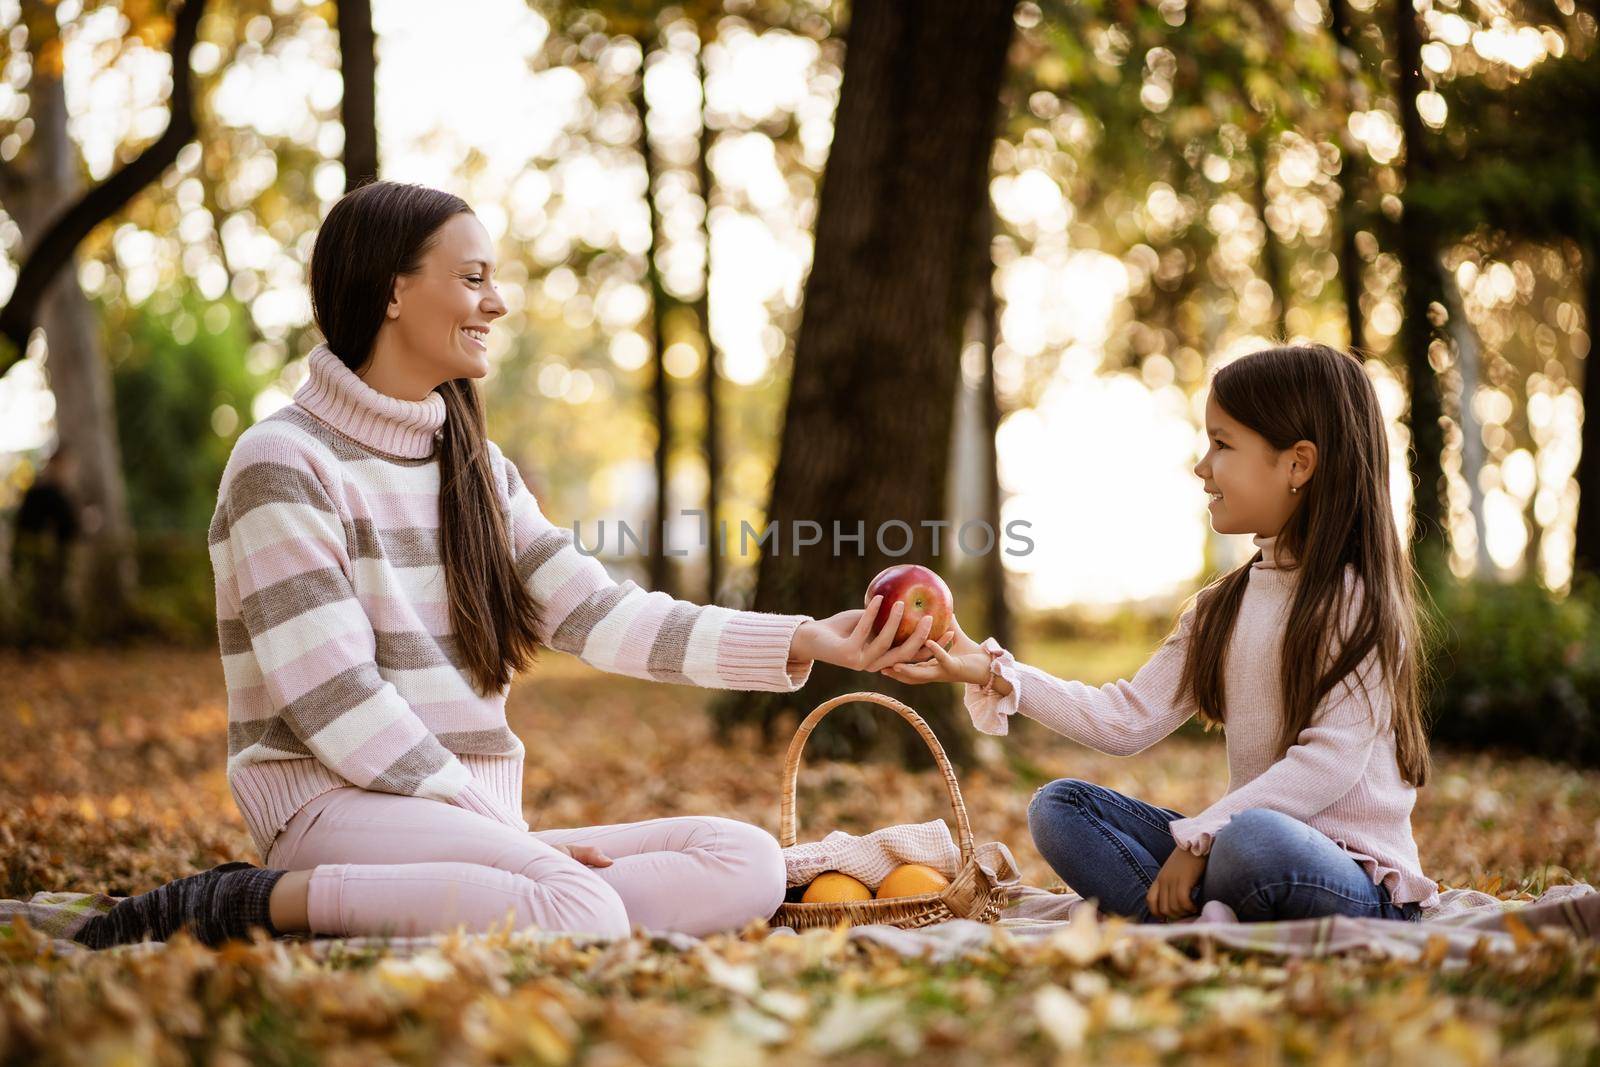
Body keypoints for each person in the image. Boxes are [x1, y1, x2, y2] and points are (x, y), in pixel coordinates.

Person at [74, 180, 937, 950]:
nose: (499, 302)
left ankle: (512, 884)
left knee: (745, 859)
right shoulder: (284, 462)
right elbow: (335, 701)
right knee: (579, 909)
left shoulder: (478, 471)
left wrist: (808, 638)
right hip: (335, 810)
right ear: (393, 290)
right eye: (474, 277)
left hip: (471, 821)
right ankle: (248, 900)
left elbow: (604, 613)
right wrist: (512, 840)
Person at [885, 344, 1439, 924]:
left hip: (1351, 881)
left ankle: (1191, 907)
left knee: (1254, 840)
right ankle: (1190, 920)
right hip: (1229, 849)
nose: (1203, 466)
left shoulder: (1358, 604)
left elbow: (1326, 765)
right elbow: (1125, 719)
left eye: (1222, 444)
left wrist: (1201, 837)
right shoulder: (1219, 609)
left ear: (1298, 464)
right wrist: (994, 672)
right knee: (1059, 807)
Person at [11, 444, 81, 646]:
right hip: (41, 557)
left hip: (54, 557)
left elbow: (69, 527)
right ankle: (39, 641)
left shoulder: (59, 492)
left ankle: (52, 639)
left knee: (55, 600)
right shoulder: (43, 492)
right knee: (41, 601)